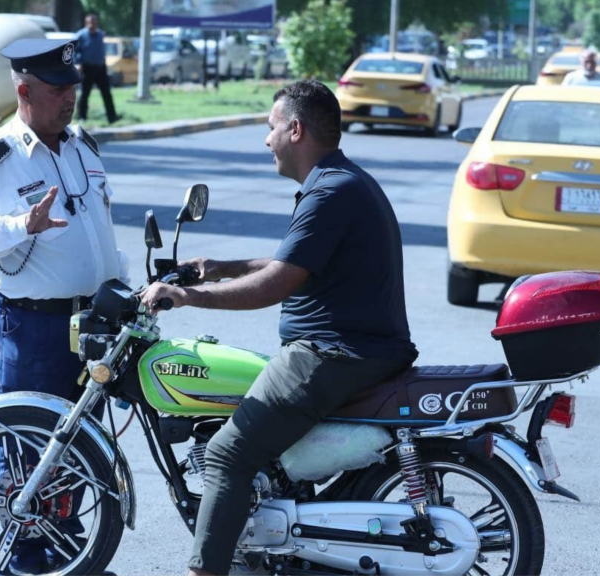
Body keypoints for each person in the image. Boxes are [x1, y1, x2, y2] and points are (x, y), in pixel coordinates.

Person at [140, 79, 419, 576]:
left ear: (295, 129)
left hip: (333, 353)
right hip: (353, 349)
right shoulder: (339, 182)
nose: (266, 140)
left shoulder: (331, 192)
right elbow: (293, 263)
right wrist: (222, 266)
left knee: (228, 453)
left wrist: (187, 296)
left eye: (271, 128)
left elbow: (277, 284)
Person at [0, 37, 129, 574]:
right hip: (33, 324)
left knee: (79, 446)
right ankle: (25, 552)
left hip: (91, 321)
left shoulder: (82, 147)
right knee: (28, 444)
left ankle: (67, 545)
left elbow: (100, 231)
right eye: (57, 89)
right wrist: (23, 225)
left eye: (73, 86)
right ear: (23, 90)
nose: (70, 97)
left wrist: (125, 290)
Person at [74, 12, 120, 124]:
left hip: (100, 68)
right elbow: (74, 50)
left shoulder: (100, 34)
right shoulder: (81, 35)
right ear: (86, 23)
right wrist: (78, 62)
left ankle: (112, 117)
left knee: (106, 93)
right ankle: (82, 116)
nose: (92, 24)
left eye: (94, 22)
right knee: (85, 93)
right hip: (87, 68)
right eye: (90, 22)